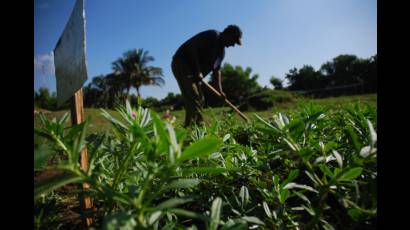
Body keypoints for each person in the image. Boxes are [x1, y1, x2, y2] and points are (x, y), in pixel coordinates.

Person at [171, 25, 242, 127]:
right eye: (234, 41)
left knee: (200, 98)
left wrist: (220, 91)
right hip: (182, 63)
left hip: (194, 73)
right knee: (194, 96)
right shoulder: (213, 36)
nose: (233, 45)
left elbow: (216, 72)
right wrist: (197, 70)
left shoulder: (221, 53)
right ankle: (197, 125)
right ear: (228, 34)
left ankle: (189, 125)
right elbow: (191, 47)